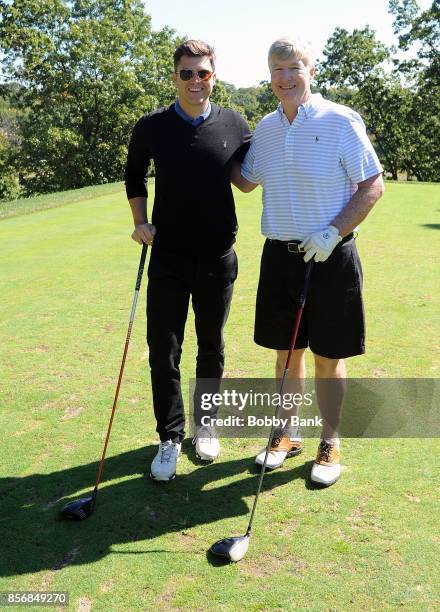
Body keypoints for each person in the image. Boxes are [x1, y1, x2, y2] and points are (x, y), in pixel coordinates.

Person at [232, 38, 384, 487]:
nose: (285, 78)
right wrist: (207, 149)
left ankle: (329, 441)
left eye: (293, 67)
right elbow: (245, 180)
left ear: (310, 70)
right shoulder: (266, 127)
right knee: (286, 354)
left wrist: (333, 231)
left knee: (328, 356)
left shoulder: (340, 120)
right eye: (276, 69)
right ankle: (286, 434)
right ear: (269, 75)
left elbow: (372, 185)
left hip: (331, 256)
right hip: (281, 257)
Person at [124, 40, 251, 481]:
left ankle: (207, 425)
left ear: (215, 75)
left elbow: (248, 178)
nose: (196, 81)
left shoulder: (235, 123)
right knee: (165, 349)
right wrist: (140, 222)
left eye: (203, 73)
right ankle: (170, 436)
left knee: (211, 345)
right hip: (169, 259)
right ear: (175, 76)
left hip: (218, 257)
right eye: (187, 73)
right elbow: (133, 174)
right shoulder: (153, 126)